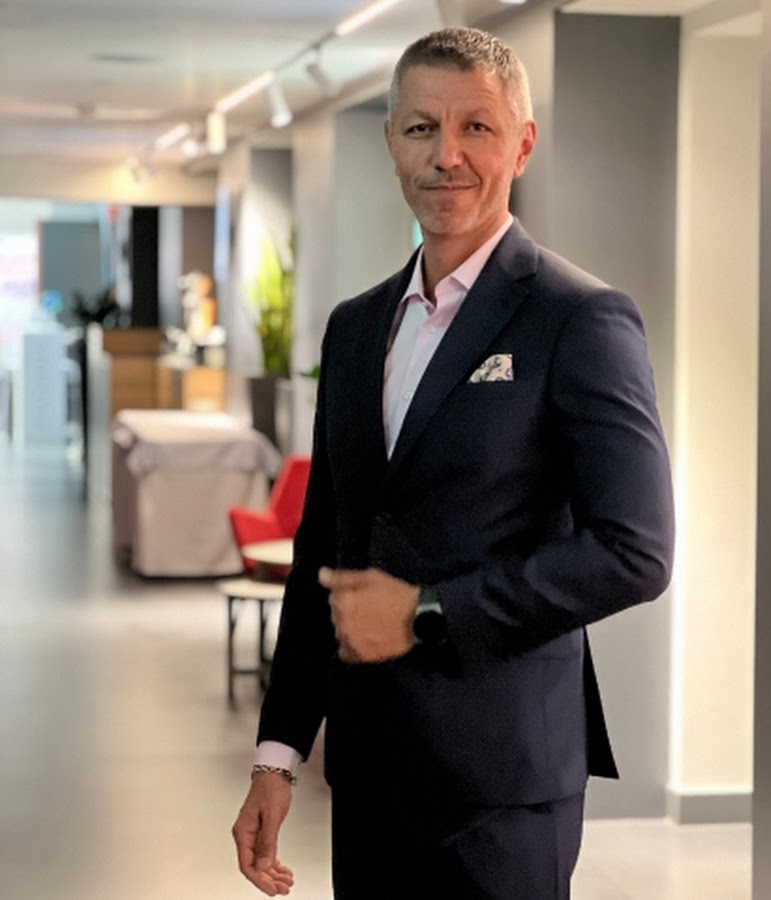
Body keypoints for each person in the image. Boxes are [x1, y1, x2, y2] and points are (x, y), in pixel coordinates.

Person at [232, 26, 674, 900]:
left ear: (523, 144)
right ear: (391, 142)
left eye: (476, 127)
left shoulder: (578, 319)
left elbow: (636, 551)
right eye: (422, 128)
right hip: (369, 773)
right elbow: (328, 545)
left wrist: (427, 614)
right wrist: (278, 753)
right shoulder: (355, 329)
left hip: (503, 784)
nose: (447, 156)